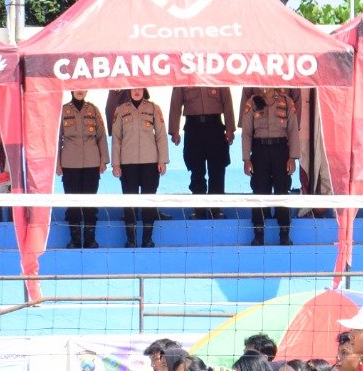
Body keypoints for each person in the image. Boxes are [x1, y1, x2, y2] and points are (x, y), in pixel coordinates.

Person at [110, 86, 167, 248]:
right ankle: (131, 240)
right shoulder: (120, 110)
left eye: (140, 89)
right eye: (133, 89)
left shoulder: (154, 108)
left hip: (150, 163)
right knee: (130, 202)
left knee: (149, 202)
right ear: (129, 91)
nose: (136, 91)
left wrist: (162, 160)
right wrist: (115, 164)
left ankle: (147, 239)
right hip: (128, 164)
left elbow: (161, 135)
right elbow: (116, 139)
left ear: (144, 90)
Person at [242, 87, 297, 246]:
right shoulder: (252, 102)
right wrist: (246, 159)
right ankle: (258, 232)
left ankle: (284, 233)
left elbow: (293, 131)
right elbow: (246, 132)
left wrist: (292, 157)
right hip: (259, 151)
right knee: (259, 191)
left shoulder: (286, 102)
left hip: (281, 151)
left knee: (282, 191)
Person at [169, 86, 235, 211]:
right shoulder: (184, 74)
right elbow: (176, 102)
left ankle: (216, 210)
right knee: (196, 170)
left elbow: (227, 101)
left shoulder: (217, 71)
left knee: (217, 170)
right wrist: (174, 130)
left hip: (215, 125)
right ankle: (199, 210)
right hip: (193, 128)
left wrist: (230, 128)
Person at [58, 91, 107, 249]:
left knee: (90, 203)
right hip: (69, 164)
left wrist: (104, 160)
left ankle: (90, 239)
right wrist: (57, 163)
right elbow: (56, 138)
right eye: (77, 87)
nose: (80, 90)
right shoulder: (63, 111)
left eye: (83, 87)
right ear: (71, 89)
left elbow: (101, 136)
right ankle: (75, 239)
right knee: (72, 203)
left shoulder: (93, 110)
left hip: (92, 163)